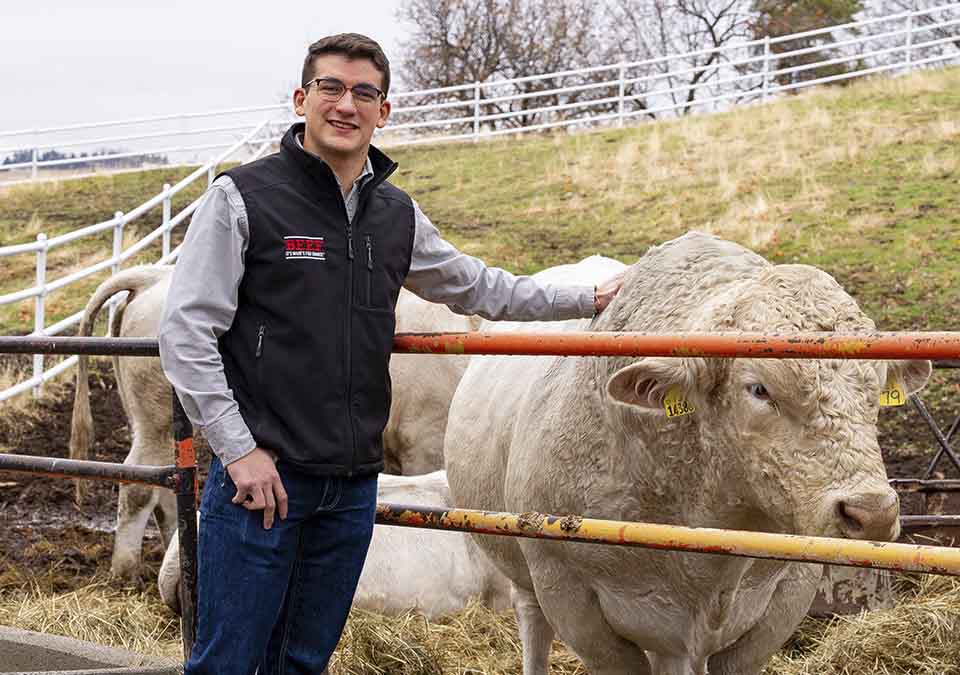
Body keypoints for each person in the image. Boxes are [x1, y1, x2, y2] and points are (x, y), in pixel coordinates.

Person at [159, 33, 623, 674]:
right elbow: (185, 333)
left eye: (364, 93)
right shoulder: (242, 200)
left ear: (385, 112)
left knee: (302, 660)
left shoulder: (395, 214)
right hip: (262, 483)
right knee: (229, 663)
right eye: (330, 87)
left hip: (351, 487)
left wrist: (587, 299)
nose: (346, 105)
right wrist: (238, 452)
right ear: (302, 99)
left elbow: (479, 286)